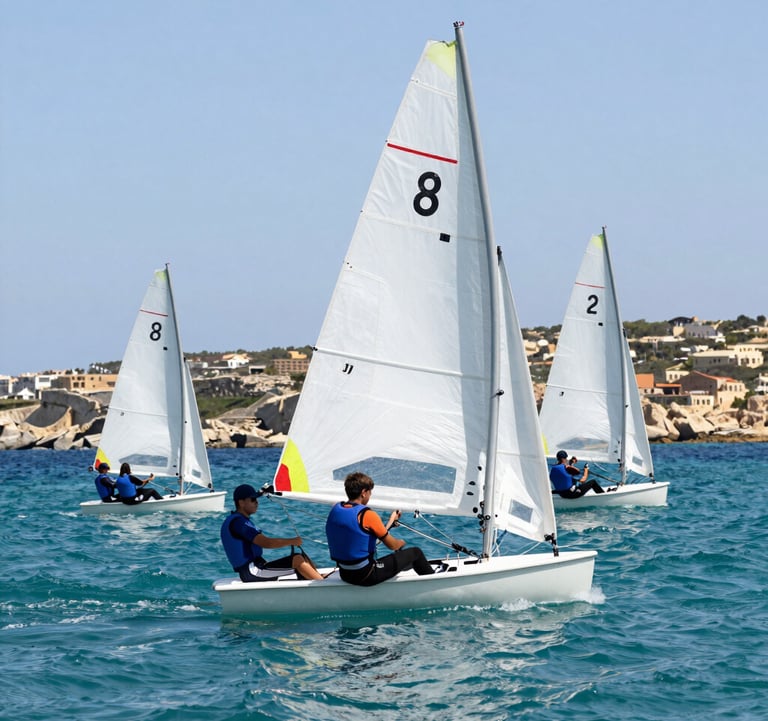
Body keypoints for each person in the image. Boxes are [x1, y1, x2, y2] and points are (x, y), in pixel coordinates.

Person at [325, 471, 435, 586]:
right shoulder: (367, 514)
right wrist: (401, 543)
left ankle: (407, 568)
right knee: (415, 553)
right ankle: (433, 586)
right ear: (363, 492)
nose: (370, 495)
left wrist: (391, 521)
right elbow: (392, 545)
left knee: (396, 560)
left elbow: (361, 536)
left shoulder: (335, 510)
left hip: (345, 574)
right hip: (366, 575)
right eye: (370, 492)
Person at [220, 483, 323, 582]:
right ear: (241, 503)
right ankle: (323, 586)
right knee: (297, 560)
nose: (256, 502)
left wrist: (265, 491)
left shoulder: (240, 520)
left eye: (256, 499)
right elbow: (265, 543)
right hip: (252, 572)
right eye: (253, 499)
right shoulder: (239, 523)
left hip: (257, 567)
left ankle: (319, 578)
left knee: (300, 557)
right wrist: (292, 541)